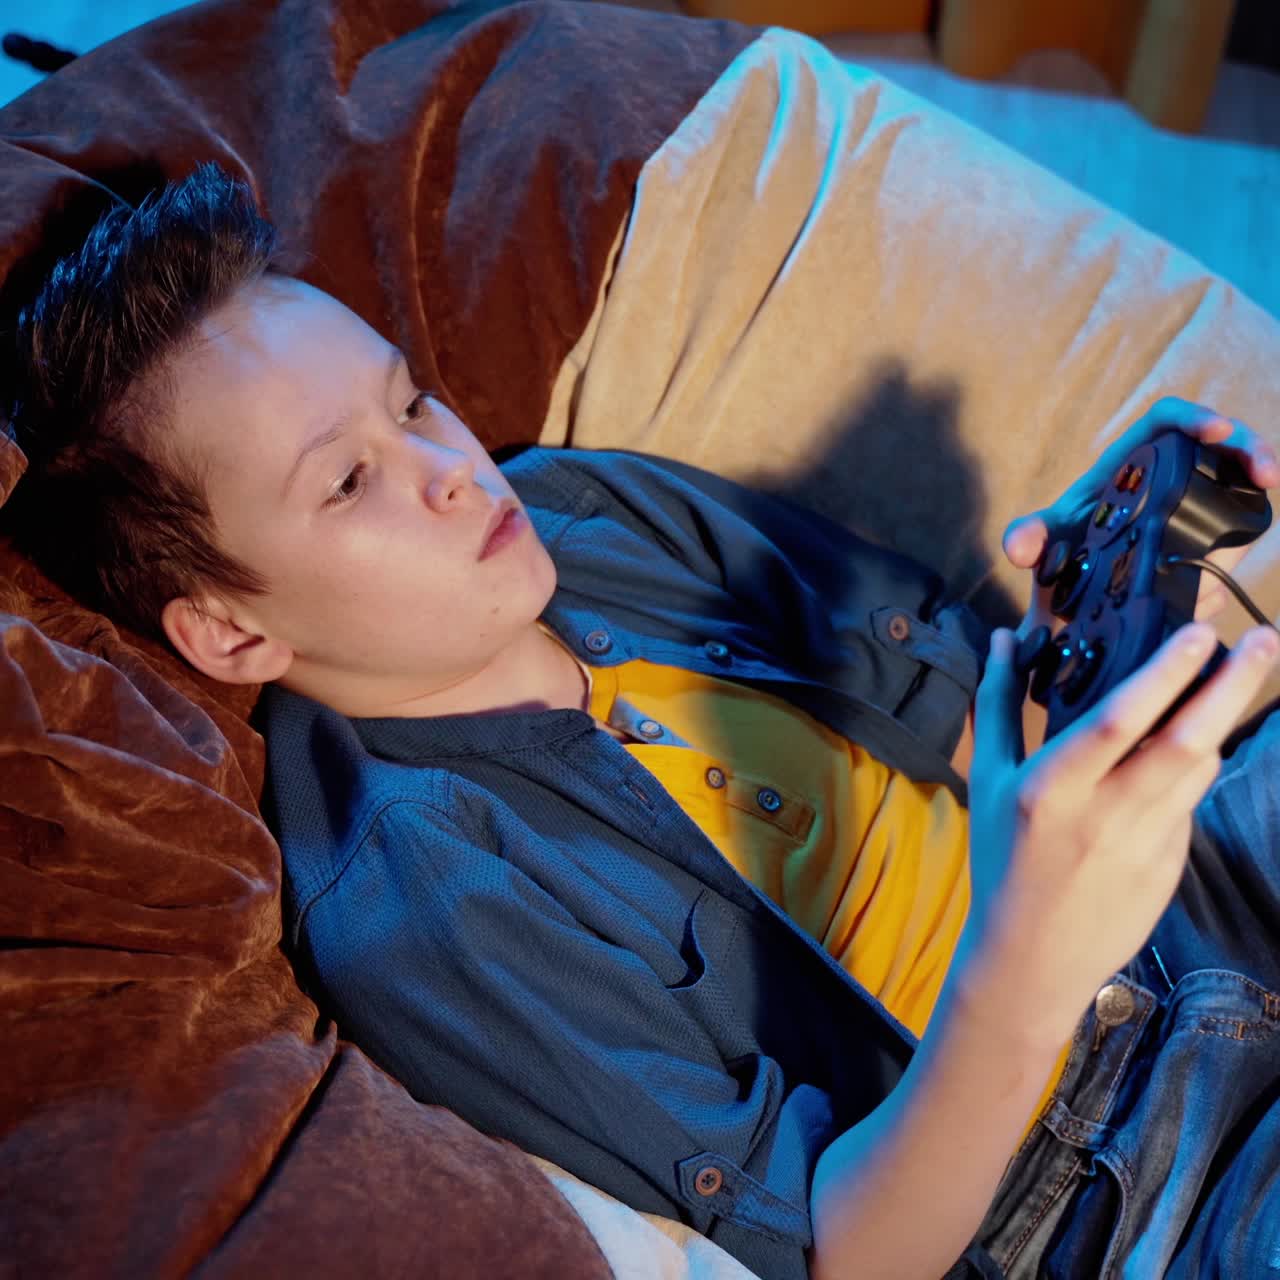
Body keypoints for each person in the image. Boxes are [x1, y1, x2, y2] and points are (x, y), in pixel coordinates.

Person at [6, 162, 1280, 1280]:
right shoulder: (427, 903)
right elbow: (843, 1252)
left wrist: (1098, 597)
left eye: (406, 404)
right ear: (233, 633)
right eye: (349, 481)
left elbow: (964, 709)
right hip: (1092, 1181)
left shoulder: (582, 504)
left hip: (1184, 905)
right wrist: (1031, 960)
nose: (451, 468)